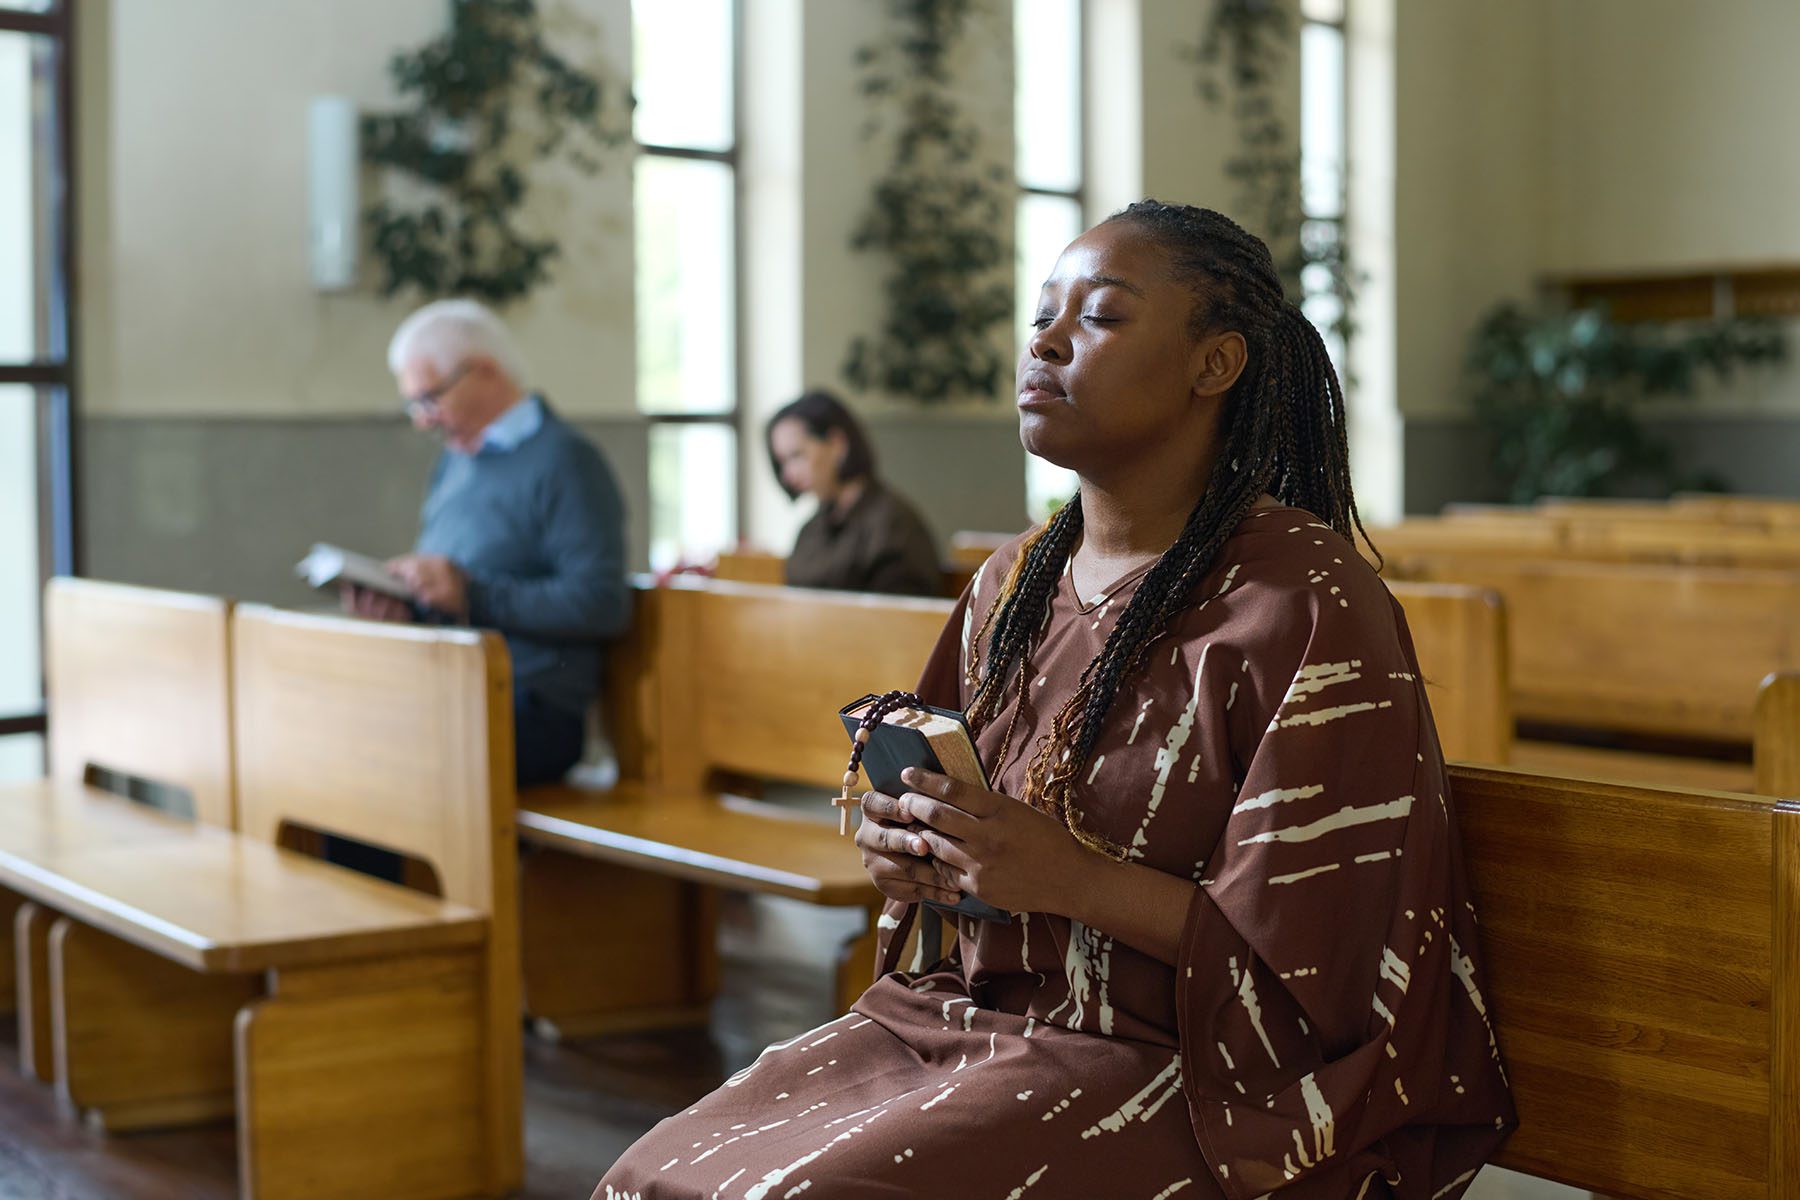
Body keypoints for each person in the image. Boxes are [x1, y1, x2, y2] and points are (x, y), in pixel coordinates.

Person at [594, 202, 1515, 1199]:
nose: (1044, 341)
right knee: (650, 1175)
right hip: (964, 1023)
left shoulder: (1301, 600)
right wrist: (915, 856)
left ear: (1215, 364)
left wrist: (1072, 879)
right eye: (1041, 316)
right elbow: (958, 877)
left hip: (1186, 1074)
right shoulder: (1013, 581)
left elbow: (1331, 963)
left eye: (1101, 317)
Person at [346, 299, 630, 789]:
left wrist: (472, 595)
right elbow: (455, 596)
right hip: (451, 687)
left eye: (430, 399)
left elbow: (602, 603)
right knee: (329, 726)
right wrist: (409, 607)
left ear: (484, 371)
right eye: (415, 404)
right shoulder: (456, 463)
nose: (423, 420)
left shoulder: (567, 461)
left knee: (375, 759)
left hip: (530, 706)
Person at [766, 390, 944, 596]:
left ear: (837, 444)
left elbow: (900, 610)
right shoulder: (812, 528)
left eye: (797, 456)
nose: (788, 475)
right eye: (782, 462)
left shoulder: (894, 524)